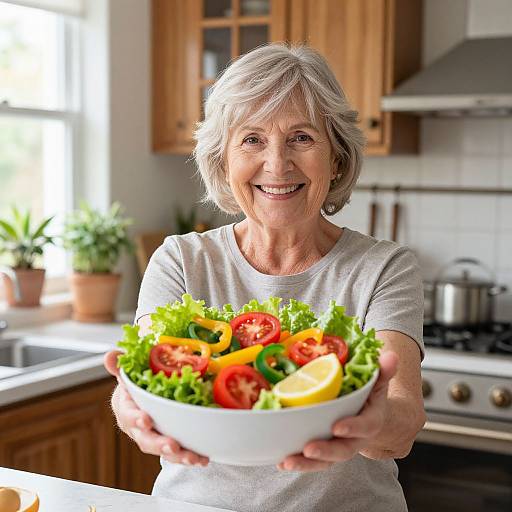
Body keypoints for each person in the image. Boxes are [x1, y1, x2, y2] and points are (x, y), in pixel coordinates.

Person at [104, 43, 426, 512]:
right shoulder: (180, 260)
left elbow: (403, 419)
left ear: (336, 157)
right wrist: (129, 409)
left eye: (301, 137)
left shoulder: (384, 267)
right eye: (251, 139)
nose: (277, 165)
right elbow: (146, 380)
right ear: (224, 161)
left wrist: (372, 424)